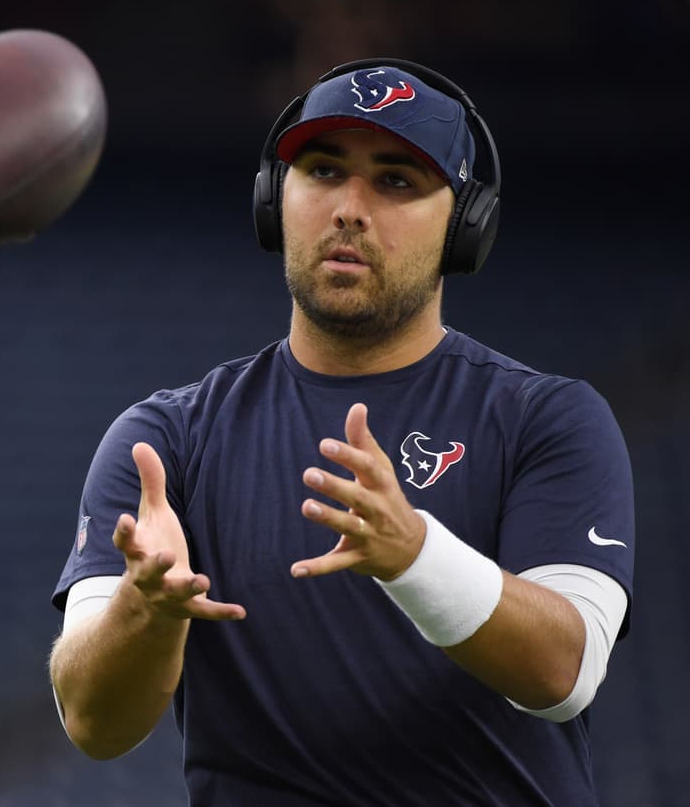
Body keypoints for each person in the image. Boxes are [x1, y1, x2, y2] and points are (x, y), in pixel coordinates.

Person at [47, 59, 634, 806]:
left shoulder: (548, 420)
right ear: (274, 199)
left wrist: (414, 555)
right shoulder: (166, 442)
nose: (350, 208)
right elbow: (93, 722)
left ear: (464, 224)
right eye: (323, 170)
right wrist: (144, 609)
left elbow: (566, 674)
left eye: (395, 180)